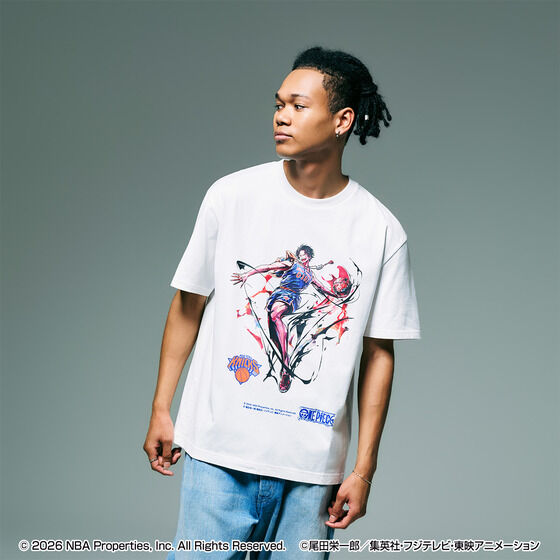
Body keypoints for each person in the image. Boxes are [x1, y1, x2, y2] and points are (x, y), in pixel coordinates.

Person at [143, 45, 421, 559]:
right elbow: (188, 305)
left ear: (342, 120)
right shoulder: (231, 197)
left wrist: (363, 469)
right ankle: (282, 360)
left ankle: (288, 364)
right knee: (278, 323)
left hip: (312, 475)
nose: (281, 116)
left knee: (304, 325)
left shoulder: (380, 229)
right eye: (278, 104)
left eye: (298, 105)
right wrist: (162, 408)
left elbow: (379, 353)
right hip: (218, 456)